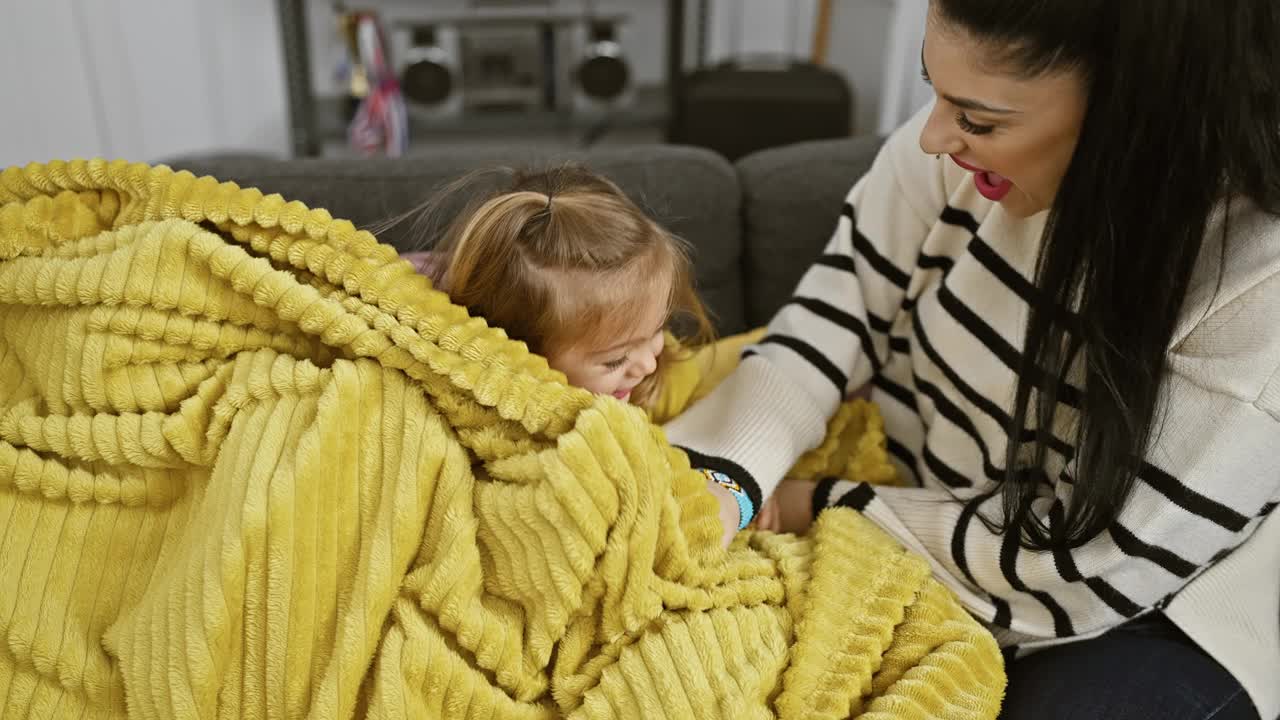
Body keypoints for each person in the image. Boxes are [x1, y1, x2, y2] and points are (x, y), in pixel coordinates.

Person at [664, 1, 1280, 718]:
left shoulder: (1255, 281)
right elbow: (826, 324)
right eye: (933, 89)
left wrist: (819, 504)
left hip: (1149, 598)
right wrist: (723, 479)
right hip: (937, 517)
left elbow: (1082, 572)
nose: (930, 138)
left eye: (980, 121)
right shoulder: (956, 158)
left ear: (1135, 114)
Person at [393, 163, 760, 541]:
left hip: (691, 389)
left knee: (754, 366)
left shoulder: (651, 364)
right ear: (522, 355)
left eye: (656, 331)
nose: (648, 363)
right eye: (615, 359)